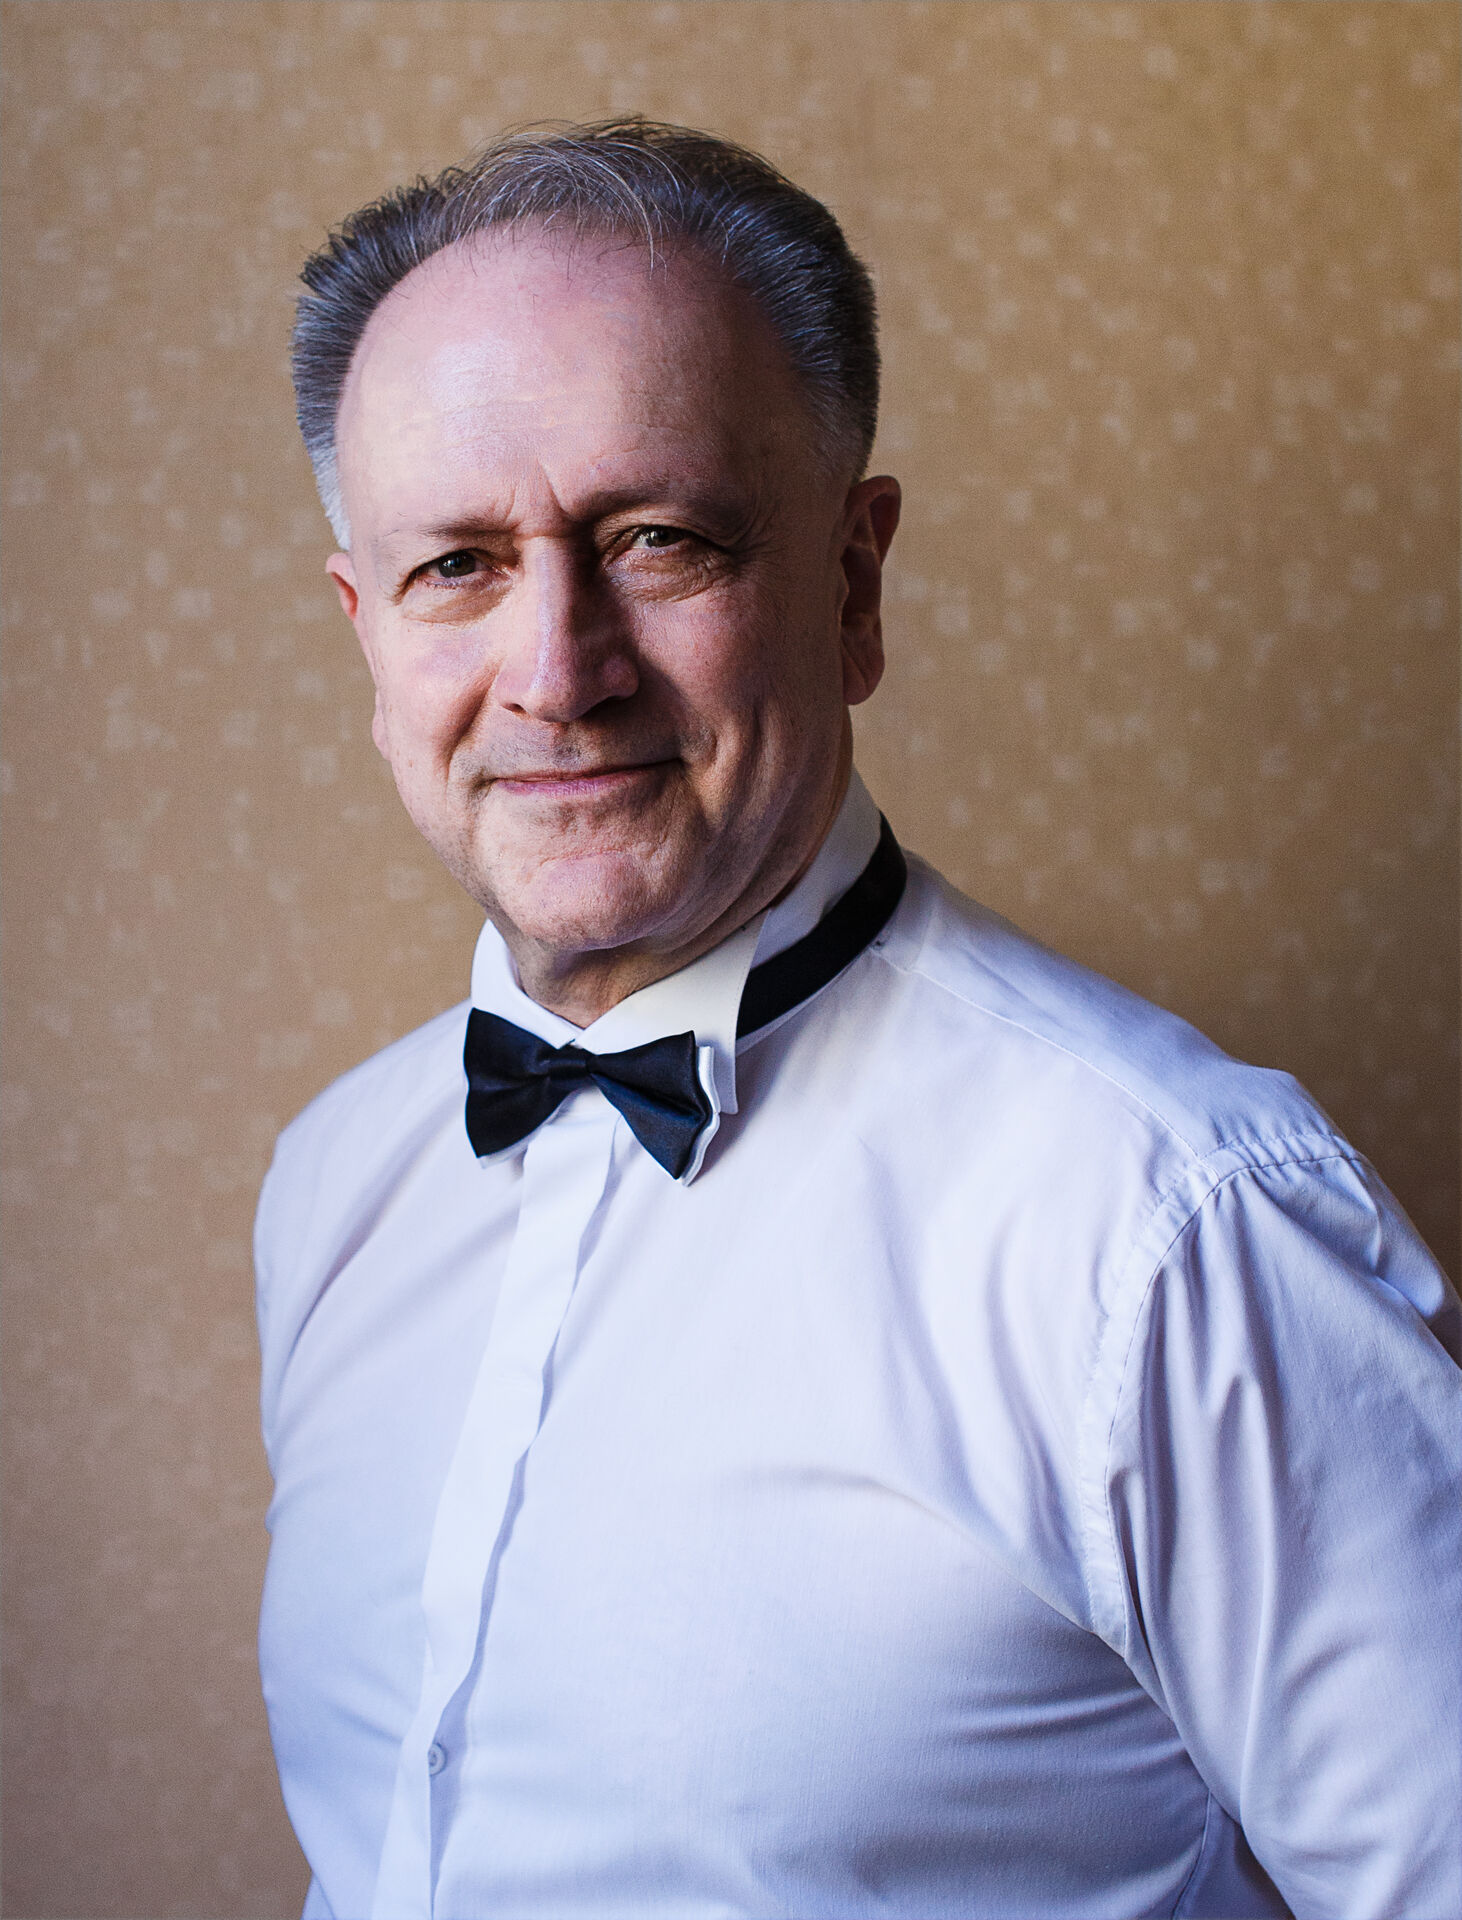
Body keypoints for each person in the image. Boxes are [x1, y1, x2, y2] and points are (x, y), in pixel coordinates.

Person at [255, 119, 1461, 1920]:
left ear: (853, 580)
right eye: (459, 567)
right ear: (366, 628)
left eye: (657, 541)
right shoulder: (334, 1184)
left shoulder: (1169, 1229)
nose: (557, 673)